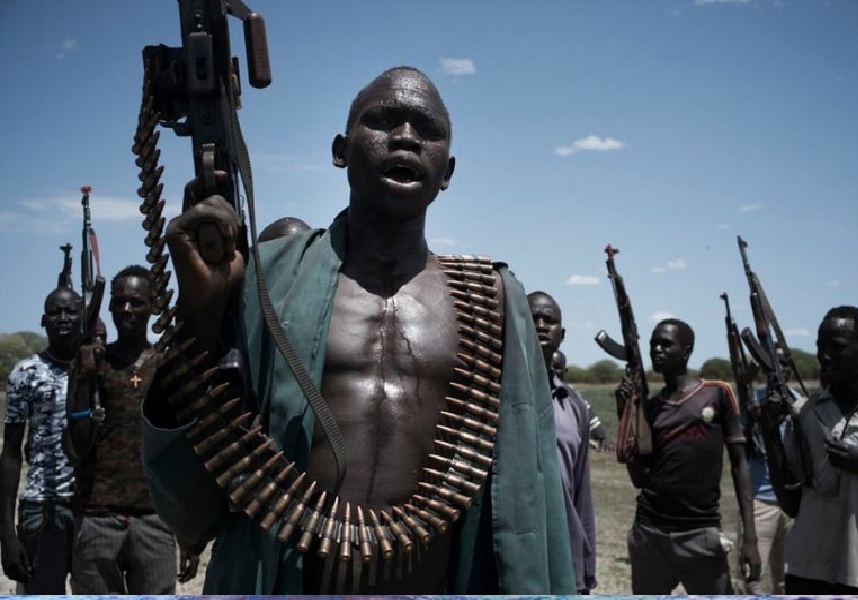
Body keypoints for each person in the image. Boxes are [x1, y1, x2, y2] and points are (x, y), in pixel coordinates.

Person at [141, 66, 575, 594]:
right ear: (339, 150)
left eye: (428, 130)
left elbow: (530, 490)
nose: (406, 137)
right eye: (383, 121)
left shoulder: (493, 299)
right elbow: (192, 501)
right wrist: (201, 313)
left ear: (448, 171)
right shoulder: (266, 281)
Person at [63, 265, 200, 594]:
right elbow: (76, 446)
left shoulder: (167, 364)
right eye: (119, 301)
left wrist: (188, 530)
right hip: (97, 518)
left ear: (152, 307)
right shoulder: (92, 363)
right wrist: (85, 379)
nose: (126, 309)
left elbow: (183, 452)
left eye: (136, 302)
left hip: (155, 518)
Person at [760, 305, 858, 594]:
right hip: (807, 571)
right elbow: (792, 505)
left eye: (837, 347)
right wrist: (771, 435)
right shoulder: (805, 412)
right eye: (820, 346)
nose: (825, 356)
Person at [617, 318, 760, 594]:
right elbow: (640, 479)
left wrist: (750, 538)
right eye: (653, 344)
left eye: (666, 344)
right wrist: (624, 410)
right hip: (650, 533)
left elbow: (740, 463)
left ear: (687, 351)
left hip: (700, 533)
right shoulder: (652, 406)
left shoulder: (717, 393)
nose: (656, 350)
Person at [0, 284, 83, 594]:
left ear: (84, 318)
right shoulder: (25, 373)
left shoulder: (100, 368)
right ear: (43, 320)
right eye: (54, 312)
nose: (62, 318)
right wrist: (7, 537)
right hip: (42, 509)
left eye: (70, 311)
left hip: (93, 511)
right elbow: (10, 455)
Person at [528, 292, 596, 594]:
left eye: (549, 320)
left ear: (562, 335)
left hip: (564, 548)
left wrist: (586, 569)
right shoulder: (492, 394)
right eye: (533, 318)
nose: (541, 325)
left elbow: (582, 493)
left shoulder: (574, 405)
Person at [735, 352, 799, 595]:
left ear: (790, 369)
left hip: (792, 506)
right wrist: (753, 419)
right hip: (759, 502)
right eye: (772, 365)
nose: (779, 370)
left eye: (783, 365)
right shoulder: (753, 402)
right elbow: (739, 445)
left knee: (787, 580)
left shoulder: (800, 402)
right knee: (751, 580)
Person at [552, 349, 606, 450]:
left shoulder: (575, 398)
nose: (552, 372)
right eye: (549, 367)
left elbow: (598, 431)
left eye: (557, 368)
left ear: (565, 371)